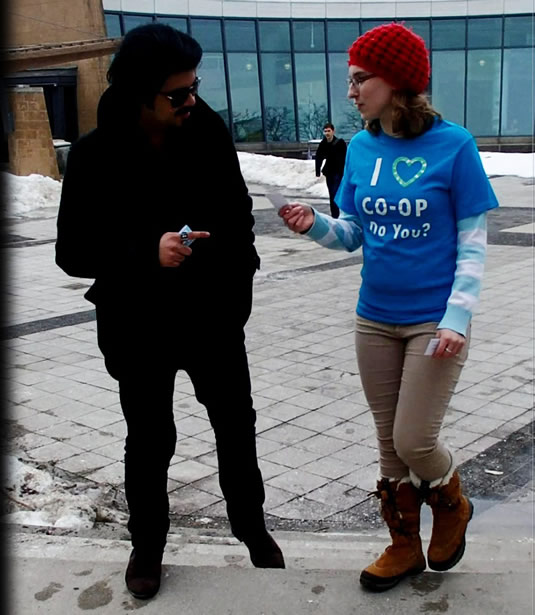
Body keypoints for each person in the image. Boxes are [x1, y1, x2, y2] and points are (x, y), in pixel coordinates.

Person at [55, 23, 284, 601]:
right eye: (177, 94)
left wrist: (238, 296)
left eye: (194, 87)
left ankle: (252, 529)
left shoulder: (206, 131)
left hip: (212, 319)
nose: (192, 102)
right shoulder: (92, 155)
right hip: (138, 325)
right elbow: (71, 252)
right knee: (150, 439)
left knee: (237, 426)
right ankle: (148, 546)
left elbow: (237, 218)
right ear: (139, 93)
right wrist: (144, 252)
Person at [279, 22, 498, 592]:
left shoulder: (455, 145)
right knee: (387, 445)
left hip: (434, 320)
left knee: (413, 441)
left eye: (360, 79)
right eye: (350, 81)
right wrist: (316, 226)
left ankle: (451, 502)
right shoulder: (361, 148)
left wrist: (457, 317)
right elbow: (354, 234)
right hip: (373, 317)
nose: (350, 92)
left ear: (397, 81)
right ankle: (403, 547)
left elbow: (473, 241)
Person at [315, 122, 347, 218]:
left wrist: (346, 171)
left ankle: (338, 214)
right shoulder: (323, 144)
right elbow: (319, 157)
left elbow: (345, 158)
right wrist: (317, 170)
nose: (327, 133)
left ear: (333, 131)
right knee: (332, 194)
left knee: (335, 193)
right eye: (325, 131)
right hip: (329, 172)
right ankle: (335, 215)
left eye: (329, 131)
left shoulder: (340, 143)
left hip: (338, 172)